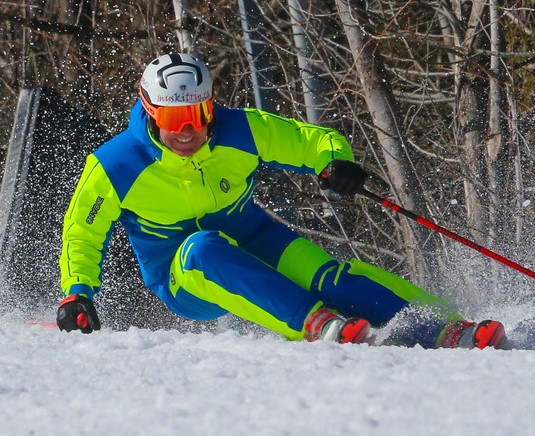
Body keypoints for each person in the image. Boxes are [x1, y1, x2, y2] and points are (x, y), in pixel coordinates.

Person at [56, 53, 506, 349]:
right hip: (182, 276)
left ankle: (449, 328)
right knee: (201, 249)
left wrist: (334, 164)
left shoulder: (239, 130)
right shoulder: (117, 164)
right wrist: (77, 293)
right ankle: (317, 324)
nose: (188, 130)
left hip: (255, 237)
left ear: (211, 107)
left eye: (198, 114)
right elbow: (83, 230)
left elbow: (314, 141)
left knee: (328, 275)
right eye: (175, 118)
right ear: (152, 112)